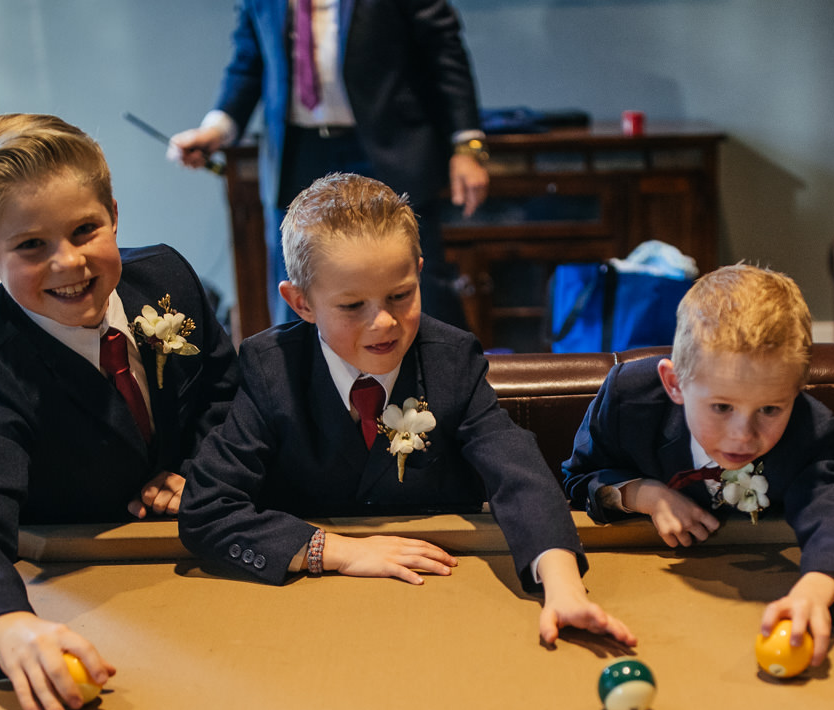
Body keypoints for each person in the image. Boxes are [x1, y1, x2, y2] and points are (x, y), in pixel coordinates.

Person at [178, 173, 631, 651]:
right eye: (352, 305)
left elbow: (517, 472)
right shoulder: (271, 369)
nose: (384, 323)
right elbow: (206, 511)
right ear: (301, 302)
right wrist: (335, 551)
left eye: (400, 295)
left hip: (443, 603)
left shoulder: (451, 359)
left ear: (418, 270)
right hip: (310, 620)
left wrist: (561, 585)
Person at [0, 114, 240, 710]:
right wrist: (8, 623)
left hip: (207, 562)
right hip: (92, 589)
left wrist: (202, 471)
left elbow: (226, 396)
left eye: (84, 230)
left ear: (113, 214)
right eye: (31, 246)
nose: (69, 263)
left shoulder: (169, 276)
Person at [559, 264, 834, 668]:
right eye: (721, 407)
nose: (742, 436)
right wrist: (644, 494)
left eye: (769, 409)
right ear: (675, 383)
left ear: (796, 393)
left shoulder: (808, 428)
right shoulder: (629, 399)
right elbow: (578, 476)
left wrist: (816, 587)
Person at [166, 0, 491, 329]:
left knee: (418, 282)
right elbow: (249, 62)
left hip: (387, 147)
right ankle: (297, 379)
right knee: (297, 284)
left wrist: (468, 145)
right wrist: (215, 130)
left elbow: (444, 52)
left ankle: (439, 377)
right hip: (299, 151)